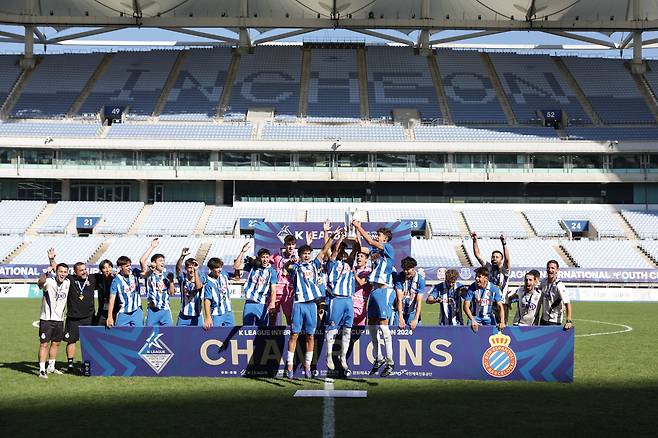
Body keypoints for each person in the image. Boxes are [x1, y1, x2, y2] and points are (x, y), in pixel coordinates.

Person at [285, 236, 334, 379]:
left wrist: (331, 237)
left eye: (308, 253)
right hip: (299, 304)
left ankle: (307, 364)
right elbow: (286, 267)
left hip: (312, 305)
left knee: (310, 335)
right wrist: (290, 262)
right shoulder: (296, 267)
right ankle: (289, 365)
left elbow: (324, 251)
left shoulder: (314, 264)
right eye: (304, 253)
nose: (306, 256)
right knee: (294, 335)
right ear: (300, 255)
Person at [353, 220, 396, 378]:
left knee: (383, 326)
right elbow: (362, 248)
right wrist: (355, 232)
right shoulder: (375, 250)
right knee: (371, 324)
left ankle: (390, 362)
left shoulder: (388, 248)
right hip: (374, 290)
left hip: (384, 290)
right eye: (377, 234)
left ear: (385, 238)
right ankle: (378, 358)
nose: (377, 236)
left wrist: (359, 226)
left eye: (379, 235)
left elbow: (370, 242)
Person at [46, 248, 96, 374]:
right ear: (75, 272)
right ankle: (70, 365)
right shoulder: (71, 279)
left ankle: (87, 364)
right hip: (73, 317)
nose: (84, 272)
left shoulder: (92, 278)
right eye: (81, 270)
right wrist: (51, 259)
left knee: (88, 343)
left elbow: (107, 275)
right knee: (71, 341)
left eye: (85, 269)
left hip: (89, 317)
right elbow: (58, 269)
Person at [325, 229, 356, 375]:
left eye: (345, 249)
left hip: (348, 300)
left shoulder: (348, 263)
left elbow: (356, 250)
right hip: (336, 298)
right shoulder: (331, 263)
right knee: (332, 328)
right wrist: (341, 238)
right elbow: (335, 250)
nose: (343, 251)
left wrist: (357, 234)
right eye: (341, 249)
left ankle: (343, 357)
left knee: (347, 330)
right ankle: (329, 355)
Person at [36, 260, 70, 379]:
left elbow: (59, 269)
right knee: (44, 344)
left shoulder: (67, 283)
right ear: (56, 272)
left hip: (60, 320)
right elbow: (39, 283)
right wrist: (46, 273)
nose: (62, 274)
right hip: (47, 319)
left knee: (56, 343)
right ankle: (41, 370)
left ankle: (51, 367)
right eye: (60, 271)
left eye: (65, 272)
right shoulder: (49, 281)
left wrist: (52, 259)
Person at [234, 242, 277, 326]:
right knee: (246, 329)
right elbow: (236, 266)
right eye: (263, 257)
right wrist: (242, 252)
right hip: (249, 302)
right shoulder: (253, 266)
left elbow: (273, 290)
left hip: (262, 304)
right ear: (259, 258)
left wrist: (272, 303)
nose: (265, 259)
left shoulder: (272, 271)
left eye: (267, 257)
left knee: (262, 330)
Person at [471, 232, 511, 323]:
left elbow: (507, 260)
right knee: (486, 326)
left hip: (502, 303)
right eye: (493, 257)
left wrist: (504, 243)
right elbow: (477, 255)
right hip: (489, 302)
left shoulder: (504, 270)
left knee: (501, 326)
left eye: (497, 257)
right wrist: (475, 241)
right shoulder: (488, 267)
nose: (494, 258)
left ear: (501, 259)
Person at [106, 252, 148, 328]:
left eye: (130, 265)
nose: (130, 267)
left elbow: (145, 274)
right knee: (120, 334)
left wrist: (152, 247)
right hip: (123, 313)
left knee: (139, 334)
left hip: (136, 311)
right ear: (120, 268)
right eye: (127, 266)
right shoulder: (116, 281)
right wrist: (110, 317)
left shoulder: (134, 273)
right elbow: (112, 299)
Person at [141, 238, 175, 326]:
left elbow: (171, 293)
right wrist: (152, 247)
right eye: (160, 260)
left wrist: (171, 282)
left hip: (165, 310)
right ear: (154, 263)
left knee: (169, 333)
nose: (163, 263)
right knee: (149, 333)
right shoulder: (149, 274)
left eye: (163, 261)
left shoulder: (166, 275)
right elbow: (142, 261)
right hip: (152, 311)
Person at [463, 266, 506, 333]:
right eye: (476, 276)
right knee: (469, 333)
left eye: (479, 277)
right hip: (474, 316)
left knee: (493, 334)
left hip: (488, 317)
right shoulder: (472, 287)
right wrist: (472, 320)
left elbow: (500, 306)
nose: (476, 278)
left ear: (486, 278)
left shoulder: (494, 288)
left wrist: (502, 321)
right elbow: (466, 306)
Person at [271, 234, 299, 325]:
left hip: (289, 291)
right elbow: (265, 261)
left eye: (293, 244)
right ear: (285, 245)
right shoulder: (277, 256)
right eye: (288, 244)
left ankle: (290, 334)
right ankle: (270, 334)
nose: (291, 247)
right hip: (276, 290)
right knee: (272, 316)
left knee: (289, 317)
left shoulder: (297, 258)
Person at [392, 257, 425, 330]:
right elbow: (399, 299)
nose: (405, 272)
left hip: (412, 311)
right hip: (400, 311)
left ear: (413, 268)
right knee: (396, 331)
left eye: (407, 269)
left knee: (416, 332)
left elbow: (419, 302)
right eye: (404, 269)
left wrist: (416, 319)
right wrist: (400, 318)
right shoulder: (399, 277)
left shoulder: (420, 280)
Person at [539, 260, 573, 330]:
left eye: (552, 268)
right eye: (548, 268)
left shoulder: (559, 285)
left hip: (554, 320)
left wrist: (568, 321)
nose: (550, 270)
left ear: (557, 270)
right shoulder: (544, 281)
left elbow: (567, 303)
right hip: (543, 319)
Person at [203, 257, 235, 328]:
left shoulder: (224, 274)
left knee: (231, 333)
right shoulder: (208, 283)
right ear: (211, 269)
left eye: (220, 267)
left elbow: (236, 276)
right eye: (217, 268)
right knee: (215, 334)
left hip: (228, 312)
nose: (220, 269)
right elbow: (207, 300)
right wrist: (208, 317)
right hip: (216, 313)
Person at [175, 248, 205, 326]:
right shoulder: (183, 278)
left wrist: (196, 271)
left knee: (199, 334)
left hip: (197, 315)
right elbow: (178, 269)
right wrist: (182, 256)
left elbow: (198, 287)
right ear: (185, 268)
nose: (191, 270)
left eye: (193, 267)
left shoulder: (200, 276)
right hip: (183, 315)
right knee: (178, 333)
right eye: (189, 267)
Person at [94, 259, 117, 328]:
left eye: (109, 267)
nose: (107, 270)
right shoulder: (98, 279)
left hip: (116, 310)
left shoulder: (116, 279)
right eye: (104, 268)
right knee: (99, 329)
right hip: (102, 311)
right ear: (101, 270)